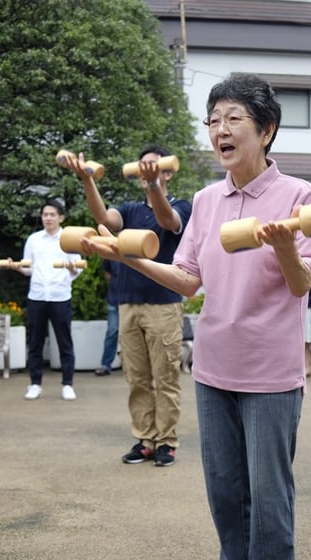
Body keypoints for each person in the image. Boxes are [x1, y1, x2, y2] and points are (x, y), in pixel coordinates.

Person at [80, 73, 311, 560]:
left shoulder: (298, 194)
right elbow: (188, 280)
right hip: (213, 368)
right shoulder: (206, 200)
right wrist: (128, 254)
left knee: (270, 496)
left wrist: (282, 244)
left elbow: (301, 284)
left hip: (271, 374)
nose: (221, 130)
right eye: (214, 121)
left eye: (235, 119)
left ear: (267, 130)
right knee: (227, 494)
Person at [63, 145, 192, 467]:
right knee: (136, 378)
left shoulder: (182, 206)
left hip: (164, 303)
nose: (145, 172)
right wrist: (87, 180)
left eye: (153, 167)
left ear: (168, 171)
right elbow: (104, 218)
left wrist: (153, 186)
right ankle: (145, 439)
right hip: (128, 303)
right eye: (142, 167)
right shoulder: (131, 209)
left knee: (165, 378)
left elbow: (167, 219)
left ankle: (167, 441)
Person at [8, 199, 81, 401]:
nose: (48, 218)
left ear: (61, 217)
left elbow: (78, 269)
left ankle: (68, 384)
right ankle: (35, 384)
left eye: (52, 214)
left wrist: (70, 266)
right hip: (37, 296)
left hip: (60, 296)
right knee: (35, 343)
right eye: (45, 215)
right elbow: (28, 268)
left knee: (65, 342)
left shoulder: (69, 239)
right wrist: (16, 267)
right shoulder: (34, 239)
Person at [95, 259, 120, 376]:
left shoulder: (135, 248)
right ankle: (106, 365)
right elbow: (107, 273)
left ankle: (135, 367)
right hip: (114, 299)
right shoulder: (112, 250)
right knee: (112, 332)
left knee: (133, 333)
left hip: (131, 301)